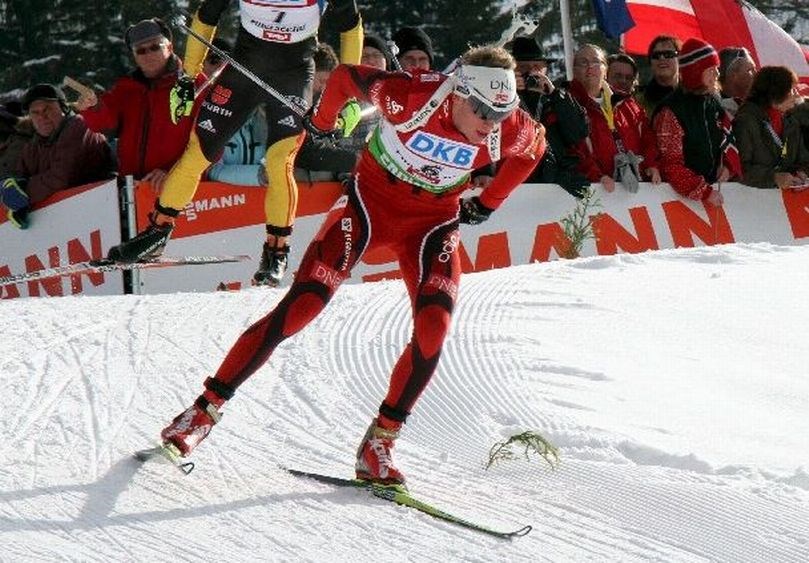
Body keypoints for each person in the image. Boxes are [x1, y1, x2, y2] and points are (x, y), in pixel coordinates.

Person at [157, 45, 546, 487]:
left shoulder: (507, 127)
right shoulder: (411, 97)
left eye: (501, 111)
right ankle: (203, 410)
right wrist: (322, 121)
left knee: (435, 327)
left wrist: (490, 203)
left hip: (432, 221)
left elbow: (533, 151)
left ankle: (380, 442)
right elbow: (342, 77)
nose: (489, 123)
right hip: (368, 203)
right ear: (458, 93)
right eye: (480, 109)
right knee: (304, 306)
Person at [105, 0, 363, 289]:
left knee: (280, 162)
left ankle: (276, 252)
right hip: (244, 68)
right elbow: (206, 15)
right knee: (198, 152)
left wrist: (348, 96)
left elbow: (351, 28)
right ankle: (157, 233)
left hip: (293, 74)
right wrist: (188, 77)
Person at [76, 18, 204, 193]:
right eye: (141, 50)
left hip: (181, 190)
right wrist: (92, 106)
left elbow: (211, 141)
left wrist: (175, 173)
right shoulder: (126, 89)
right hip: (133, 190)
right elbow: (106, 123)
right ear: (134, 56)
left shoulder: (193, 84)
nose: (148, 54)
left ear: (170, 47)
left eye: (155, 47)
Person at [0, 84, 114, 229]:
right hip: (69, 226)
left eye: (48, 109)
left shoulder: (80, 126)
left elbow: (62, 177)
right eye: (35, 112)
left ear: (64, 109)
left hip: (106, 214)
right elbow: (17, 177)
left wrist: (24, 191)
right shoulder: (33, 146)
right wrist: (8, 190)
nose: (42, 117)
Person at [652, 38, 739, 204]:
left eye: (717, 69)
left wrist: (727, 167)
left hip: (712, 197)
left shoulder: (714, 104)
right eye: (711, 70)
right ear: (696, 71)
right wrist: (704, 192)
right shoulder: (672, 111)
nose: (718, 74)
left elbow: (728, 142)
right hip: (676, 201)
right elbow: (671, 165)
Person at [568, 44, 660, 193]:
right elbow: (572, 150)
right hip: (599, 192)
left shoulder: (626, 103)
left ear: (605, 70)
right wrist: (597, 176)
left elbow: (648, 138)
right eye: (583, 62)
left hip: (637, 190)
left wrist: (651, 165)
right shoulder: (567, 104)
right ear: (574, 70)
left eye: (596, 62)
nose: (590, 67)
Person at [509, 35, 590, 198]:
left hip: (555, 186)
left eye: (537, 67)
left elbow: (578, 133)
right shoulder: (501, 99)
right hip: (518, 187)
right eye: (523, 67)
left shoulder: (556, 98)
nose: (531, 72)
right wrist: (508, 92)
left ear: (546, 69)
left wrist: (554, 94)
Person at [733, 66, 808, 189]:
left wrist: (802, 172)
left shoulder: (791, 121)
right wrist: (773, 177)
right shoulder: (746, 121)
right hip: (752, 200)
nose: (796, 95)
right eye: (791, 90)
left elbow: (803, 159)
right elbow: (739, 168)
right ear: (775, 93)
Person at [636, 35, 682, 115]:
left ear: (680, 59)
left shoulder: (693, 98)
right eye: (656, 56)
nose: (662, 58)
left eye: (668, 54)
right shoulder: (637, 104)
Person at [717, 47, 756, 117]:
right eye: (750, 70)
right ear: (733, 74)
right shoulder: (714, 110)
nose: (756, 74)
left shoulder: (754, 107)